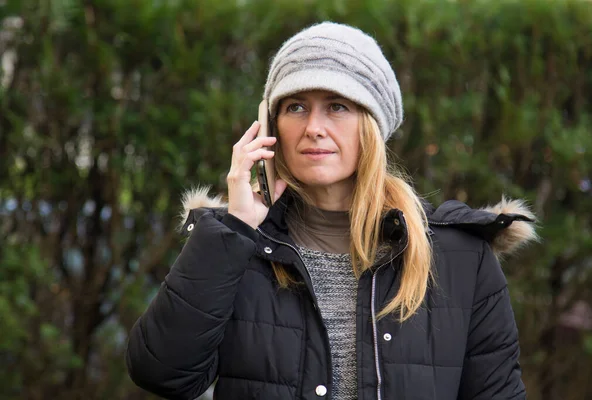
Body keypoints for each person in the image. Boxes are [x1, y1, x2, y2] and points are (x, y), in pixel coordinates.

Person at [126, 22, 538, 400]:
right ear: (270, 127)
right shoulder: (235, 246)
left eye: (338, 105)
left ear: (372, 126)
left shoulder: (460, 257)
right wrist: (234, 229)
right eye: (296, 107)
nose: (314, 128)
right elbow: (162, 372)